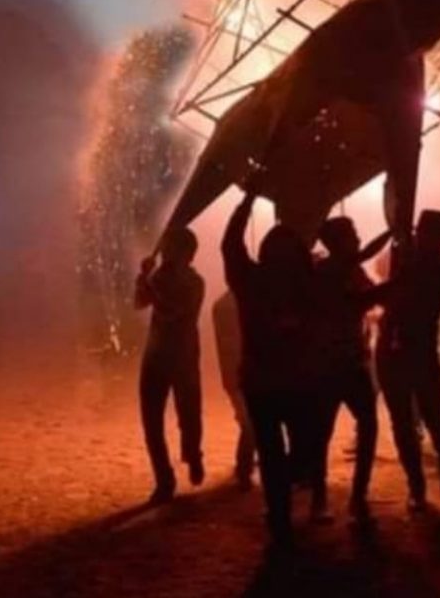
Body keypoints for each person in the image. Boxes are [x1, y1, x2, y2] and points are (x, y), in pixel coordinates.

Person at [221, 186, 316, 547]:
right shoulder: (289, 285)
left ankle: (279, 511)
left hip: (269, 383)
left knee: (280, 453)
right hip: (284, 383)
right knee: (292, 453)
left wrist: (247, 202)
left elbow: (230, 245)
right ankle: (279, 515)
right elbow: (231, 246)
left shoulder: (255, 281)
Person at [375, 209, 440, 511]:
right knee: (402, 422)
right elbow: (386, 288)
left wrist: (404, 269)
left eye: (439, 237)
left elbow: (407, 300)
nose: (438, 242)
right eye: (432, 236)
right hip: (391, 350)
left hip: (420, 351)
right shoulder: (406, 260)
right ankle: (417, 487)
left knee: (434, 417)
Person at [310, 217, 390, 523]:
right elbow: (364, 299)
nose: (357, 240)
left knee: (358, 426)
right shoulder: (324, 272)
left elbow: (371, 297)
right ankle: (331, 498)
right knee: (325, 432)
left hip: (349, 362)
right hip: (332, 364)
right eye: (352, 235)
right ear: (338, 241)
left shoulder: (347, 269)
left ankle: (351, 496)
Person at [134, 228, 206, 507]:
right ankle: (164, 479)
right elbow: (139, 303)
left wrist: (149, 282)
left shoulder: (195, 283)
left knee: (189, 415)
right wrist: (143, 280)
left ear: (186, 254)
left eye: (171, 248)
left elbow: (173, 312)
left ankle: (193, 454)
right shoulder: (159, 278)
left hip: (183, 356)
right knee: (151, 420)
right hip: (155, 356)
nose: (165, 253)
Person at [212, 290, 255, 489]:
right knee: (250, 423)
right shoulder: (239, 305)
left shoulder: (221, 305)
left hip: (234, 375)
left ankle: (245, 466)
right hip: (244, 375)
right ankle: (244, 469)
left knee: (249, 421)